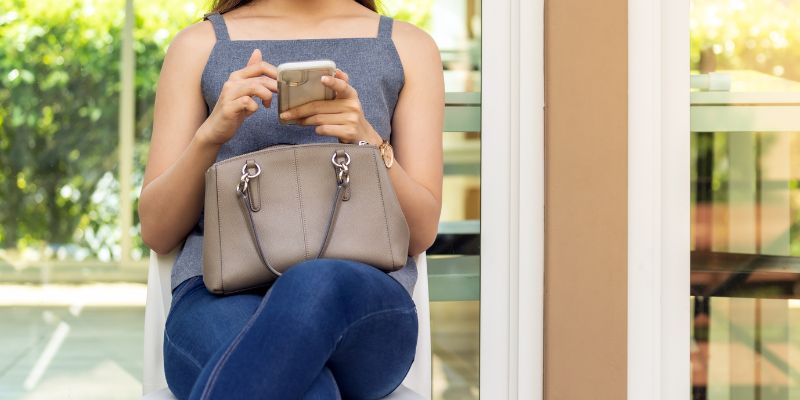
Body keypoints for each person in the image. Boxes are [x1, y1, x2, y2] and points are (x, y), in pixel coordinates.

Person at [137, 0, 444, 398]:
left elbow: (420, 233)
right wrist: (211, 135)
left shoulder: (409, 47)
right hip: (218, 297)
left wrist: (366, 138)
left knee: (314, 280)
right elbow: (158, 231)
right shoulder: (198, 46)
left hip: (361, 304)